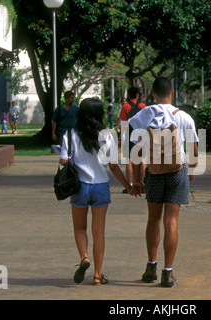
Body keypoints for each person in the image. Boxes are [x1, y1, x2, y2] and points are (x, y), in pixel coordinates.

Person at [59, 98, 140, 286]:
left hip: (79, 186)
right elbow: (113, 166)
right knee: (99, 232)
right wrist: (128, 187)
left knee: (80, 228)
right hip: (101, 186)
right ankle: (97, 275)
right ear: (99, 115)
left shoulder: (70, 134)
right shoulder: (108, 136)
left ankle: (84, 257)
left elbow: (64, 161)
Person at [129, 77, 199, 287]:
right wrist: (191, 173)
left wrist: (137, 180)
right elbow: (195, 151)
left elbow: (136, 151)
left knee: (153, 220)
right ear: (173, 92)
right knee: (171, 222)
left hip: (154, 172)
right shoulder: (185, 117)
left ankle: (151, 267)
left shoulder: (144, 115)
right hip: (177, 172)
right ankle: (167, 273)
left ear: (153, 94)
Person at [118, 87, 147, 193]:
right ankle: (142, 183)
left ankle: (130, 184)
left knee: (129, 160)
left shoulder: (125, 107)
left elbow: (123, 123)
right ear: (138, 95)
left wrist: (121, 137)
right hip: (140, 133)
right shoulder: (143, 106)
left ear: (128, 95)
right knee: (142, 158)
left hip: (128, 133)